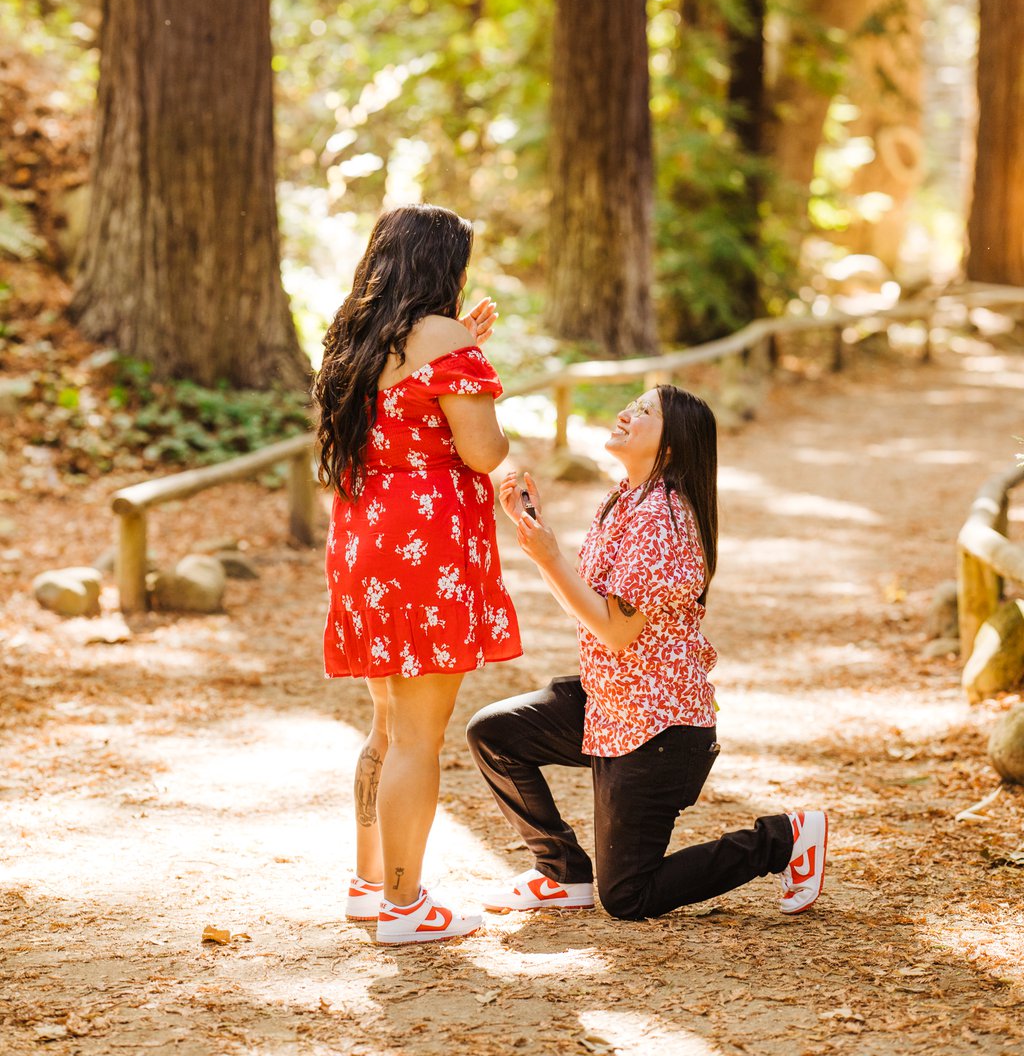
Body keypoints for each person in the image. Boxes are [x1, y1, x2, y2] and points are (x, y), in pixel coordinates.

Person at [466, 385, 828, 922]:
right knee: (495, 734)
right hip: (608, 704)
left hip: (659, 730)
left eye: (644, 411)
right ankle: (561, 873)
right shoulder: (624, 499)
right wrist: (539, 540)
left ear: (673, 445)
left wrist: (550, 556)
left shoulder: (665, 520)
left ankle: (784, 838)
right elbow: (589, 603)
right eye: (632, 404)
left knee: (627, 897)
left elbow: (615, 631)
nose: (626, 413)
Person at [313, 203, 522, 947]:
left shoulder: (356, 337)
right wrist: (469, 353)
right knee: (418, 740)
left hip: (367, 545)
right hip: (427, 550)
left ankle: (371, 886)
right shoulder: (444, 336)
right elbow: (481, 451)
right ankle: (407, 907)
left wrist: (467, 348)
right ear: (444, 265)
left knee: (386, 725)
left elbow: (404, 412)